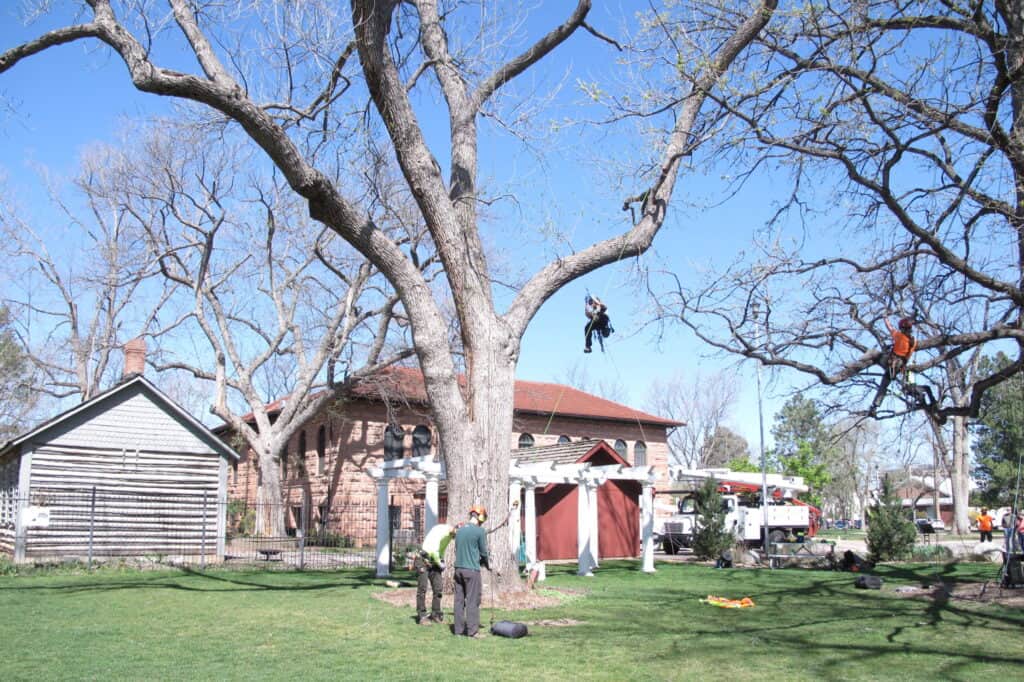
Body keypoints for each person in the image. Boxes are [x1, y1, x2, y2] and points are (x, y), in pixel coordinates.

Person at [453, 504, 489, 638]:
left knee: (459, 601)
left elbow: (458, 548)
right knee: (473, 600)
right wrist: (486, 563)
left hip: (458, 569)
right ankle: (473, 631)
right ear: (480, 517)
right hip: (471, 570)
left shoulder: (460, 530)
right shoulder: (480, 531)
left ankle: (458, 630)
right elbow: (483, 552)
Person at [414, 523, 454, 625]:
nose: (454, 538)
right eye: (455, 535)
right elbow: (433, 550)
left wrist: (441, 559)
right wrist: (440, 563)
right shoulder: (441, 531)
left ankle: (435, 614)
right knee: (422, 588)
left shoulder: (449, 536)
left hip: (434, 561)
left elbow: (441, 549)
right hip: (423, 559)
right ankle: (422, 616)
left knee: (438, 588)